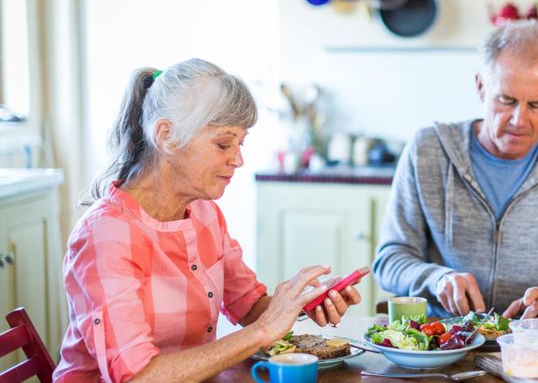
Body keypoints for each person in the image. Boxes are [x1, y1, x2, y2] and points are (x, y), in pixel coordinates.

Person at [54, 59, 362, 382]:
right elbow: (137, 377)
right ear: (166, 136)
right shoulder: (106, 236)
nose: (238, 159)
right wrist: (264, 330)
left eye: (240, 143)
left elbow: (248, 305)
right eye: (223, 144)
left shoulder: (204, 213)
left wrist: (299, 303)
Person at [372, 20, 538, 323]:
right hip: (441, 339)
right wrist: (436, 279)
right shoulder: (428, 150)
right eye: (506, 100)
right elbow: (389, 261)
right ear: (481, 86)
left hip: (536, 342)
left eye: (536, 104)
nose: (519, 120)